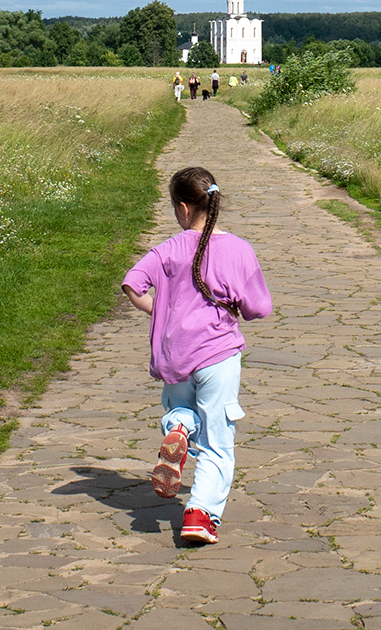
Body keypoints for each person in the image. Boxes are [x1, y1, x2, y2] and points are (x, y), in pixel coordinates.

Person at [122, 167, 272, 545]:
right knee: (218, 441)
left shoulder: (167, 249)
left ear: (184, 209)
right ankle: (199, 513)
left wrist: (162, 309)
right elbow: (258, 308)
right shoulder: (239, 250)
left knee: (183, 411)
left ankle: (179, 429)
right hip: (217, 355)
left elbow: (132, 283)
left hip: (175, 357)